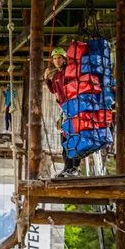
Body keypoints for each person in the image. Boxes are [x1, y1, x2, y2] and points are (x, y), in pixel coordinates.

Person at [44, 47, 81, 177]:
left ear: (64, 59)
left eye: (59, 58)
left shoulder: (69, 71)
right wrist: (46, 79)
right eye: (54, 58)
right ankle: (67, 167)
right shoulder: (56, 76)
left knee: (74, 138)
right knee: (64, 140)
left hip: (74, 109)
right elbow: (54, 91)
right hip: (63, 111)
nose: (57, 61)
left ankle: (75, 166)